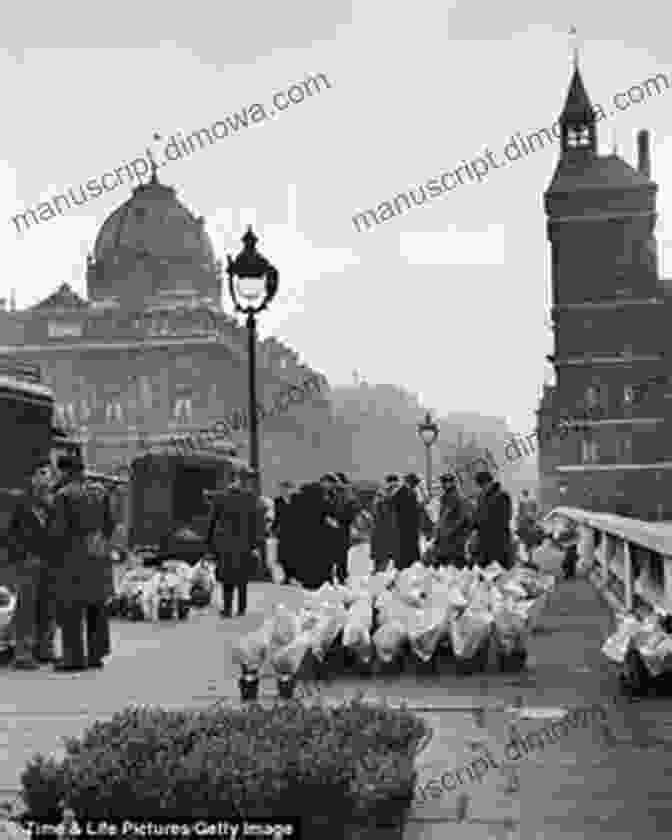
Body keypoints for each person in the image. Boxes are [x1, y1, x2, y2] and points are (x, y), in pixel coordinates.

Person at [50, 455, 116, 671]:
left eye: (58, 471)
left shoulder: (63, 494)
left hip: (73, 555)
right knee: (96, 605)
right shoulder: (100, 491)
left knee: (71, 607)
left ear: (66, 471)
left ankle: (73, 658)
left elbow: (58, 532)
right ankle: (96, 655)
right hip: (98, 553)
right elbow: (110, 525)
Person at [4, 461, 54, 669]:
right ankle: (22, 653)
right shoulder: (21, 502)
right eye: (42, 474)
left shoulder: (51, 503)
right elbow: (10, 533)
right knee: (26, 608)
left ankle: (44, 648)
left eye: (49, 474)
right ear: (32, 477)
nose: (47, 478)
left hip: (48, 561)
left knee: (47, 606)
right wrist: (22, 554)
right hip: (27, 561)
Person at [206, 467, 265, 618]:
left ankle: (228, 609)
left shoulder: (223, 496)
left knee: (228, 577)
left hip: (226, 543)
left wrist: (210, 543)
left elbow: (212, 521)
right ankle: (240, 609)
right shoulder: (251, 498)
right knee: (241, 577)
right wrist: (257, 544)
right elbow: (257, 523)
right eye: (248, 479)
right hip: (243, 543)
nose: (249, 483)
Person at [470, 470, 513, 569]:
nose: (482, 488)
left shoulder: (502, 495)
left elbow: (504, 518)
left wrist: (483, 525)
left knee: (500, 572)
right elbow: (477, 515)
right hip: (484, 543)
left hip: (499, 542)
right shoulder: (481, 496)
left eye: (484, 485)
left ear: (490, 482)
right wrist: (473, 528)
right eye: (480, 486)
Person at [433, 473, 472, 569]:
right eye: (444, 482)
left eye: (448, 482)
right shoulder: (445, 498)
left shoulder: (458, 497)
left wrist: (449, 530)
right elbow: (442, 517)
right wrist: (439, 532)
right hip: (446, 536)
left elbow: (462, 517)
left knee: (457, 562)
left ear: (453, 483)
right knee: (443, 561)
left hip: (455, 536)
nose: (446, 484)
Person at [392, 473, 424, 569]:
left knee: (411, 549)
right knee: (405, 550)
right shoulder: (401, 492)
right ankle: (403, 569)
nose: (415, 486)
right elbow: (398, 509)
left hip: (411, 527)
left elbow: (413, 508)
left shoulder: (412, 492)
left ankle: (411, 568)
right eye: (414, 483)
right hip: (404, 527)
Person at [370, 475, 402, 572]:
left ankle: (383, 573)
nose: (393, 485)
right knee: (382, 554)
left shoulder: (399, 495)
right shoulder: (381, 495)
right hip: (383, 529)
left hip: (392, 528)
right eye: (391, 482)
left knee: (389, 554)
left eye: (394, 483)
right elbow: (375, 511)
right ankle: (379, 572)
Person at [332, 474, 359, 583]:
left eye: (337, 481)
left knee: (341, 552)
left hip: (342, 525)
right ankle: (340, 575)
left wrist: (340, 519)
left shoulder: (346, 492)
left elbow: (351, 509)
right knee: (340, 552)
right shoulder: (339, 492)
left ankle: (341, 575)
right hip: (339, 525)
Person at [515, 489, 542, 564]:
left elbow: (519, 514)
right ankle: (529, 558)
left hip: (525, 525)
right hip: (529, 524)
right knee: (529, 543)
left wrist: (519, 521)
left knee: (524, 542)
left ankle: (525, 557)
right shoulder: (531, 502)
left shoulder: (522, 502)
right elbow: (536, 512)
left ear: (523, 494)